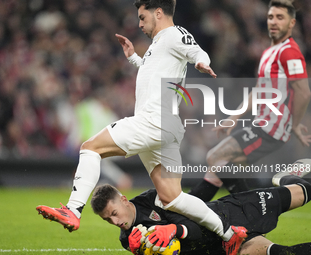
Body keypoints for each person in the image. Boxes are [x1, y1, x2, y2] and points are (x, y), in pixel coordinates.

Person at [36, 1, 246, 254]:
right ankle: (229, 234)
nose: (139, 23)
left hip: (153, 122)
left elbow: (197, 51)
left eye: (142, 17)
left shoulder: (175, 34)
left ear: (158, 13)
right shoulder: (159, 43)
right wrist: (135, 58)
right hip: (165, 128)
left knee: (90, 148)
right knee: (173, 198)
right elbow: (156, 73)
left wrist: (202, 62)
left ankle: (72, 209)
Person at [190, 0, 311, 202]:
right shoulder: (269, 52)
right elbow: (259, 90)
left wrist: (295, 123)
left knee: (215, 157)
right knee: (222, 167)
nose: (273, 21)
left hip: (272, 128)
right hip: (263, 123)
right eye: (271, 16)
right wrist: (235, 116)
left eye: (280, 17)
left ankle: (250, 211)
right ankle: (195, 210)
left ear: (291, 23)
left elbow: (304, 92)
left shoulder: (290, 52)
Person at [90, 158, 311, 255]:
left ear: (124, 200)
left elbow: (193, 213)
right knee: (282, 253)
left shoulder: (154, 200)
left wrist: (173, 230)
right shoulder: (126, 240)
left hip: (233, 212)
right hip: (224, 244)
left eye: (114, 214)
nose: (116, 222)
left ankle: (287, 178)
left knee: (305, 192)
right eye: (108, 220)